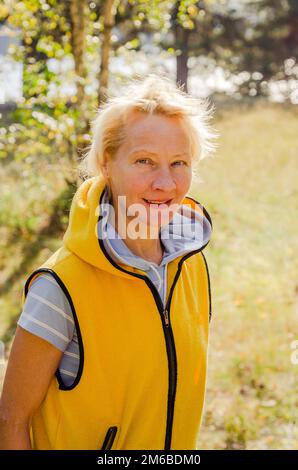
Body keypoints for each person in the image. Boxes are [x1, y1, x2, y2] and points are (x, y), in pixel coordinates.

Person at [0, 74, 218, 450]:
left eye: (179, 162)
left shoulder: (191, 265)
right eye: (144, 161)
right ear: (106, 164)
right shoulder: (61, 284)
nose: (165, 183)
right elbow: (11, 419)